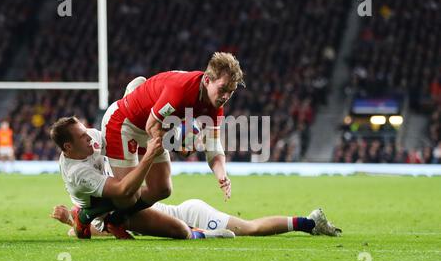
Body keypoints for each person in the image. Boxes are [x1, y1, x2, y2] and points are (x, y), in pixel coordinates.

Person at [50, 116, 235, 240]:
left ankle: (89, 219)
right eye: (83, 137)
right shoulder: (77, 173)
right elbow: (123, 189)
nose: (89, 137)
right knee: (180, 230)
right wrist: (149, 156)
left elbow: (122, 147)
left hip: (119, 198)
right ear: (68, 147)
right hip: (106, 211)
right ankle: (86, 217)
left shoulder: (92, 137)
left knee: (161, 190)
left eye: (86, 132)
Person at [101, 52, 245, 208]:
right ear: (207, 80)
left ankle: (116, 220)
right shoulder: (181, 90)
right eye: (223, 89)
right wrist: (179, 146)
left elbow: (213, 145)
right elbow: (151, 126)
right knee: (128, 193)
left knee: (162, 189)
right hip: (124, 123)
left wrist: (222, 175)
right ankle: (88, 212)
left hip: (151, 128)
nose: (225, 97)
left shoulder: (215, 105)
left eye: (231, 91)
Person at [51, 198, 342, 238]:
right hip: (184, 218)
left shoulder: (112, 210)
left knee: (249, 229)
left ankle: (310, 222)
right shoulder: (105, 215)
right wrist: (70, 223)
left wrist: (70, 223)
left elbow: (96, 234)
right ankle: (310, 223)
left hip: (190, 214)